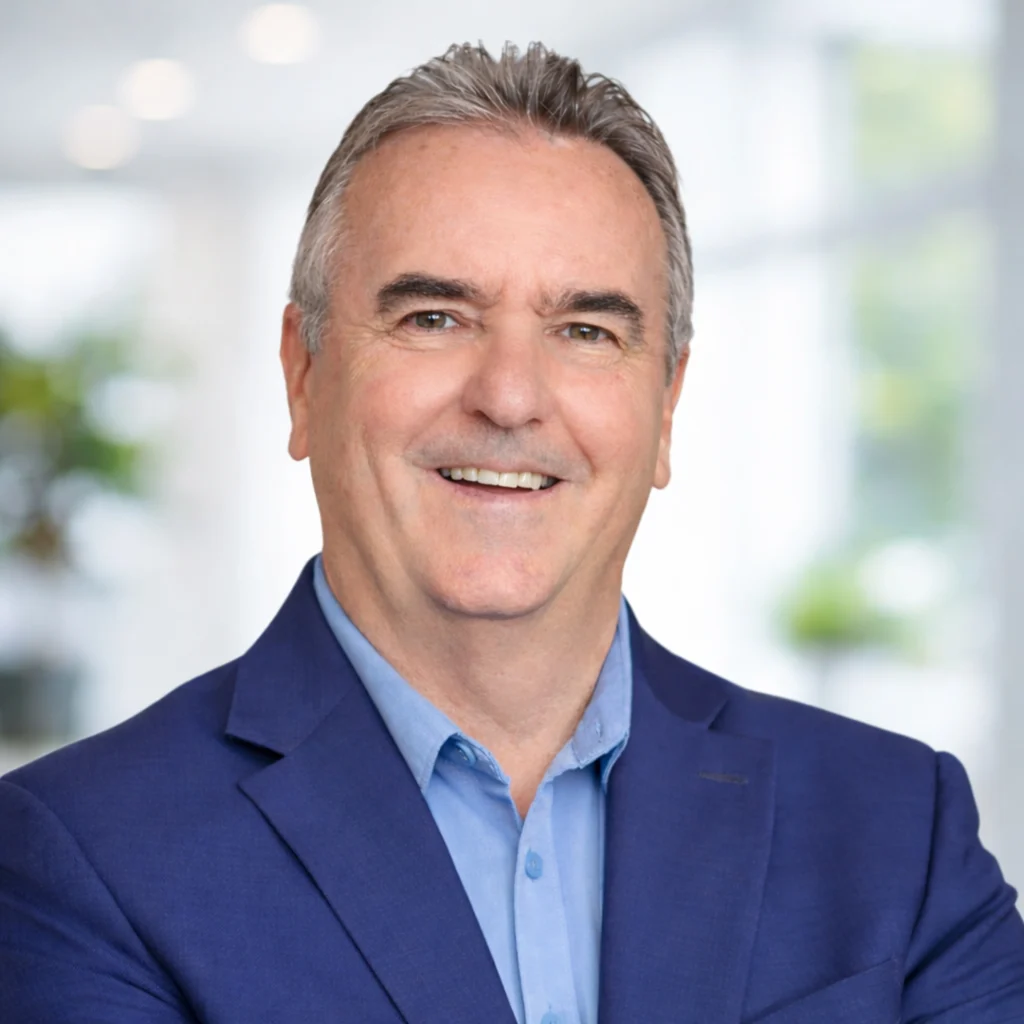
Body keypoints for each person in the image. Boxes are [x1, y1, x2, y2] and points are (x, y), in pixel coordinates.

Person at [1, 41, 1022, 1024]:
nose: (509, 396)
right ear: (302, 374)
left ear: (665, 407)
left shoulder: (899, 828)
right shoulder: (80, 860)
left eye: (585, 331)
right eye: (434, 317)